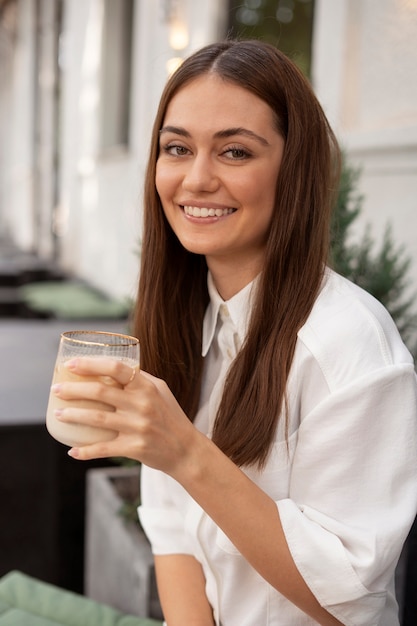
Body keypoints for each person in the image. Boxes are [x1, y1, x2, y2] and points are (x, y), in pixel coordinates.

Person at [51, 40, 417, 625]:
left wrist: (188, 454)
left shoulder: (349, 345)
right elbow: (171, 531)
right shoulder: (188, 319)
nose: (196, 179)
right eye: (177, 148)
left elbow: (346, 602)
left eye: (235, 152)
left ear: (292, 169)